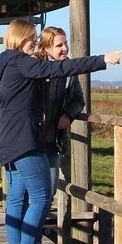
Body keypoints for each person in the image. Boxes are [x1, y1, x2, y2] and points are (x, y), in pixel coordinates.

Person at [0, 18, 122, 244]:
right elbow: (60, 69)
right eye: (32, 38)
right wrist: (102, 59)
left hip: (9, 138)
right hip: (25, 140)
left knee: (18, 197)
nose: (35, 42)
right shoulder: (22, 62)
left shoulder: (6, 63)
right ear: (20, 39)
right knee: (40, 198)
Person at [35, 27, 85, 207]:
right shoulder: (35, 67)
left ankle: (37, 230)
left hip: (52, 140)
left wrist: (68, 114)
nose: (65, 48)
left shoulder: (69, 69)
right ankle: (28, 233)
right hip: (31, 139)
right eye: (59, 45)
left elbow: (79, 99)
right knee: (30, 191)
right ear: (46, 48)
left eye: (66, 43)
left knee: (50, 189)